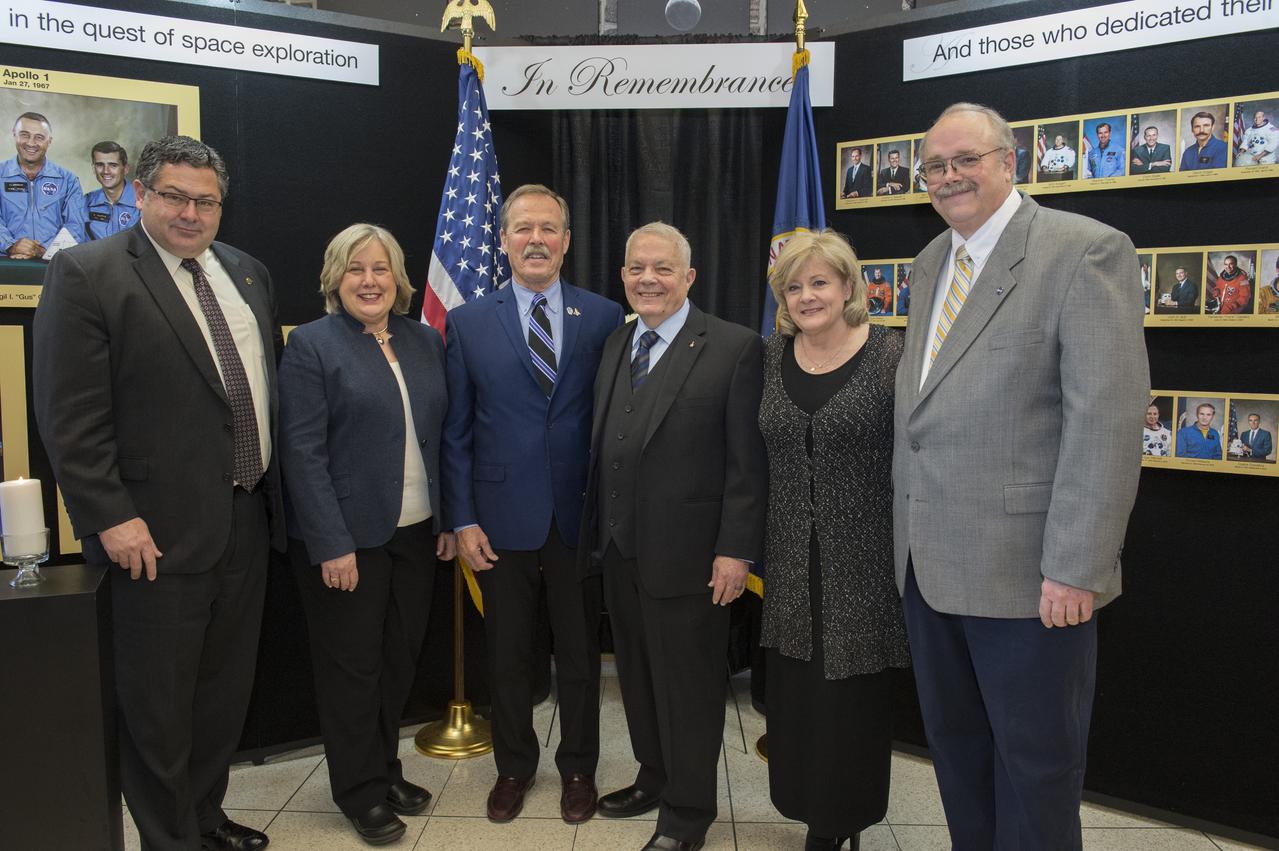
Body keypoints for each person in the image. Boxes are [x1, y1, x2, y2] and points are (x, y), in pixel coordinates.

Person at [894, 103, 1149, 847]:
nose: (948, 177)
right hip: (928, 567)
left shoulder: (1084, 251)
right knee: (957, 755)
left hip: (1031, 578)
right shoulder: (929, 261)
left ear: (1010, 161)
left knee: (1035, 769)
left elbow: (1104, 421)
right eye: (934, 166)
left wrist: (1076, 566)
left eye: (964, 159)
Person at [33, 135, 282, 851]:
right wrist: (110, 517)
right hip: (151, 534)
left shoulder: (248, 273)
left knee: (220, 694)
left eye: (206, 200)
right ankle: (168, 838)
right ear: (140, 194)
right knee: (157, 707)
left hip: (246, 519)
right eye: (174, 195)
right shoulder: (88, 273)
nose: (190, 212)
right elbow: (69, 418)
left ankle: (205, 815)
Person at [579, 222, 766, 851]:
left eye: (662, 268)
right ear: (623, 277)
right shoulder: (616, 343)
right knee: (636, 678)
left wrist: (736, 550)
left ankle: (687, 814)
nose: (648, 279)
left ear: (688, 277)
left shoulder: (735, 347)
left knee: (688, 692)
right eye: (636, 268)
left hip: (694, 561)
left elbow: (748, 464)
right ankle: (654, 777)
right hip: (620, 553)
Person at [441, 184, 624, 824]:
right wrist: (461, 517)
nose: (536, 239)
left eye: (549, 228)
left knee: (579, 654)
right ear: (503, 239)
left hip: (578, 516)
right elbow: (456, 430)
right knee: (508, 654)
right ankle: (514, 767)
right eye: (523, 228)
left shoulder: (604, 318)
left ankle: (579, 769)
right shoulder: (466, 322)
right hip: (497, 520)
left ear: (567, 241)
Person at [279, 224, 454, 845]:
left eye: (381, 269)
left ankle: (384, 771)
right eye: (356, 269)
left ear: (399, 279)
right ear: (335, 278)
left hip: (414, 533)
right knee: (352, 672)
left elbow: (444, 437)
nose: (370, 281)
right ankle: (358, 793)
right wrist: (332, 544)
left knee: (396, 661)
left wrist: (448, 519)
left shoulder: (424, 340)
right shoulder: (311, 345)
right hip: (345, 541)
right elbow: (302, 453)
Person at [758, 229, 910, 851]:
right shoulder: (772, 355)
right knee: (797, 701)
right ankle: (807, 806)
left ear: (849, 286)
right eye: (793, 286)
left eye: (819, 282)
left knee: (849, 702)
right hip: (790, 560)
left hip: (865, 562)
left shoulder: (893, 355)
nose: (806, 296)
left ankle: (839, 822)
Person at [1, 112, 88, 259]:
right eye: (24, 135)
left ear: (49, 141)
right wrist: (10, 245)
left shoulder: (68, 180)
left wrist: (43, 251)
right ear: (14, 134)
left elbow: (76, 227)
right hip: (6, 264)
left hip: (54, 265)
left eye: (39, 137)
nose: (31, 143)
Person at [84, 141, 139, 240]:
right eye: (100, 165)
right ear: (93, 169)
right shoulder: (86, 203)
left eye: (113, 165)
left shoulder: (143, 202)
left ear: (125, 169)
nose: (106, 171)